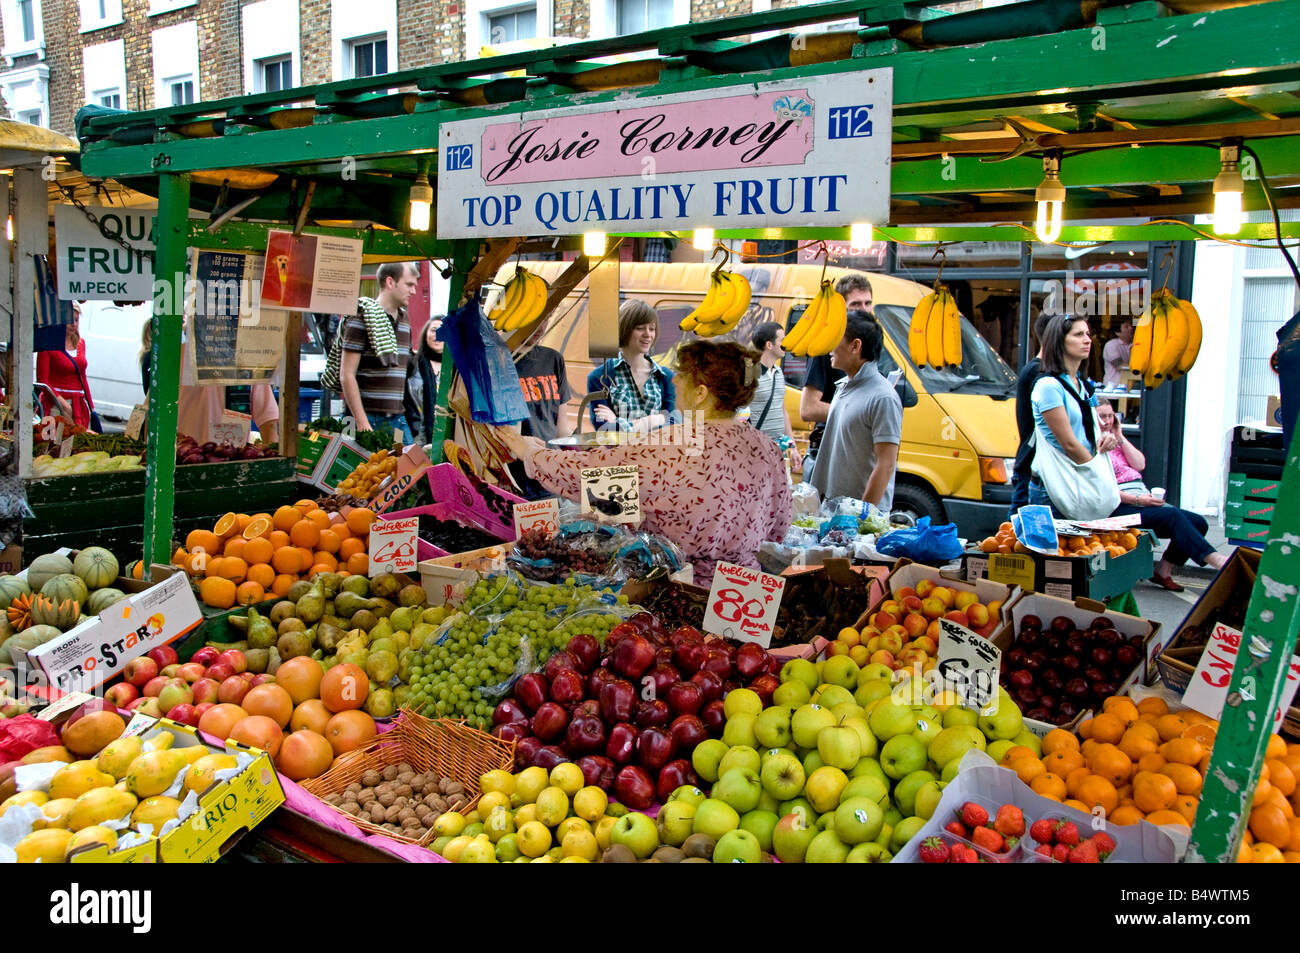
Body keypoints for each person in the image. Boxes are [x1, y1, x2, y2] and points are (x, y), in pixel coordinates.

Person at [500, 340, 792, 582]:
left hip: (681, 591)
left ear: (701, 393)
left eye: (682, 376)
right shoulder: (767, 447)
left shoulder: (674, 443)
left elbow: (590, 474)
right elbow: (779, 527)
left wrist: (530, 453)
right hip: (747, 589)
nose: (674, 380)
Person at [1096, 399, 1228, 588]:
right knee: (1171, 515)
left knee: (1198, 522)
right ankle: (1215, 560)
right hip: (1118, 505)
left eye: (1111, 416)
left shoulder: (1116, 440)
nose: (1108, 421)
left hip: (1140, 496)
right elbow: (1101, 489)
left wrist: (1120, 436)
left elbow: (1140, 464)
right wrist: (1138, 500)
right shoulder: (1092, 444)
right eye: (1102, 417)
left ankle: (1163, 569)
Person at [809, 310, 902, 513]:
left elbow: (885, 464)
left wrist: (862, 517)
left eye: (836, 339)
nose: (829, 348)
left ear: (855, 346)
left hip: (859, 518)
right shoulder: (842, 387)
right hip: (832, 509)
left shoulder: (883, 397)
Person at [1027, 314, 1118, 508]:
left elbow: (1095, 431)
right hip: (1055, 486)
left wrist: (1107, 437)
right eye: (1078, 334)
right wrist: (1097, 474)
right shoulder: (1048, 386)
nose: (1087, 339)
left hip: (1079, 479)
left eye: (1087, 333)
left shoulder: (1084, 386)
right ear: (1059, 341)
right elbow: (1068, 443)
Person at [799, 273, 872, 481]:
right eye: (856, 304)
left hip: (856, 448)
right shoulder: (826, 346)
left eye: (868, 303)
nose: (864, 310)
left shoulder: (869, 347)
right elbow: (808, 408)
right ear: (842, 308)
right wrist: (858, 413)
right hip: (830, 451)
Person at [338, 261, 417, 442]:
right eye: (409, 285)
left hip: (397, 418)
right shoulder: (361, 317)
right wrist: (362, 423)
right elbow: (346, 374)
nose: (413, 291)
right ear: (390, 282)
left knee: (411, 469)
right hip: (365, 418)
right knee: (358, 470)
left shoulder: (405, 320)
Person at [586, 299, 674, 432]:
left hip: (657, 452)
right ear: (624, 328)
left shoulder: (666, 376)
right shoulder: (598, 378)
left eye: (652, 329)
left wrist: (618, 422)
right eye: (640, 328)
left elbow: (673, 425)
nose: (648, 334)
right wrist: (653, 420)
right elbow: (604, 430)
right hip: (619, 453)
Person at [1008, 311, 1054, 518]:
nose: (1086, 340)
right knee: (1019, 536)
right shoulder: (1038, 373)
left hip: (1035, 467)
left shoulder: (1045, 372)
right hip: (1032, 468)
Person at [37, 304, 97, 430]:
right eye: (69, 320)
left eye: (76, 320)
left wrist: (91, 407)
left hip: (78, 404)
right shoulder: (47, 344)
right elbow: (42, 381)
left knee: (76, 445)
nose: (73, 324)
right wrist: (62, 404)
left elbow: (82, 376)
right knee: (55, 443)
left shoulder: (81, 343)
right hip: (55, 403)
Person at [746, 321, 797, 460]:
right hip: (755, 451)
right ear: (769, 345)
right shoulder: (748, 372)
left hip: (777, 450)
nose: (787, 344)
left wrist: (793, 447)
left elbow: (782, 409)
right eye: (782, 340)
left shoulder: (778, 372)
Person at [514, 326, 573, 443]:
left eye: (547, 318)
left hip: (550, 456)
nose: (541, 327)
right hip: (519, 456)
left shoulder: (554, 359)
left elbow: (562, 429)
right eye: (538, 319)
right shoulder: (500, 361)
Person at [415, 314, 444, 445]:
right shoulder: (413, 364)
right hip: (416, 435)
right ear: (425, 333)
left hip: (445, 435)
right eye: (433, 330)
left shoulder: (454, 369)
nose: (437, 334)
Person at [1103, 317, 1135, 388]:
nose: (1131, 328)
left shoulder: (1135, 345)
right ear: (1117, 332)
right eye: (1126, 327)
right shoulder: (1111, 345)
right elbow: (1120, 366)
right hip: (1113, 390)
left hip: (1130, 389)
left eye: (1131, 325)